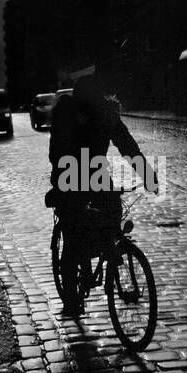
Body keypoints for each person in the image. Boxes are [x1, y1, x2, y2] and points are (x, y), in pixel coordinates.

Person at [47, 73, 156, 317]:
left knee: (112, 212)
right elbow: (57, 151)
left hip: (95, 175)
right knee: (72, 236)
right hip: (69, 176)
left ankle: (108, 248)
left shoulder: (105, 114)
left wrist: (148, 176)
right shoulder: (68, 114)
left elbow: (127, 146)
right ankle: (72, 300)